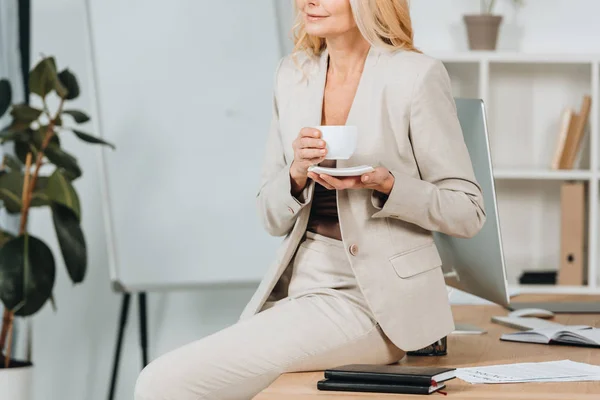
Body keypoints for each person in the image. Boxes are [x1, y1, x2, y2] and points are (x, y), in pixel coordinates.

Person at [134, 0, 486, 399]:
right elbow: (269, 217)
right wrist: (296, 174)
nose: (307, 2)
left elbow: (467, 211)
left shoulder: (415, 76)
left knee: (160, 383)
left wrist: (389, 185)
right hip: (303, 292)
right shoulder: (292, 75)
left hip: (378, 306)